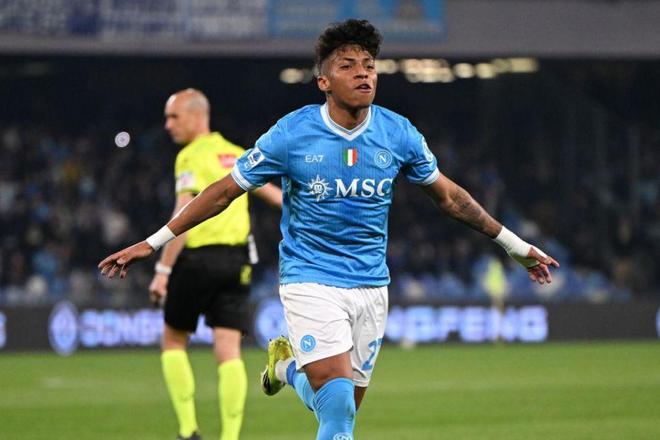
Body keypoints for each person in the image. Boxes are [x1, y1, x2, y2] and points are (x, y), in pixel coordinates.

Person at [99, 20, 559, 440]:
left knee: (341, 409)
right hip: (310, 279)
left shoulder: (398, 133)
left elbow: (450, 198)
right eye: (348, 65)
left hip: (371, 285)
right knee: (338, 412)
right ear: (324, 81)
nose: (364, 74)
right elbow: (222, 192)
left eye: (369, 65)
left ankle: (286, 369)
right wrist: (153, 242)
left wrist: (514, 245)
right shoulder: (292, 133)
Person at [149, 89, 281, 440]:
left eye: (174, 117)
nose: (168, 125)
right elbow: (274, 196)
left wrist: (162, 271)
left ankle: (188, 430)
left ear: (196, 116)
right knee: (229, 349)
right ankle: (230, 436)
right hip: (237, 262)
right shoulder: (235, 153)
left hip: (198, 260)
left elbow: (183, 214)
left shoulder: (189, 156)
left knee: (173, 340)